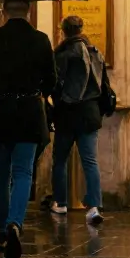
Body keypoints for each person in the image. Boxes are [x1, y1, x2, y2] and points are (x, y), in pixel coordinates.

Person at [0, 0, 56, 258]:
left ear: (5, 11)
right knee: (23, 173)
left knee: (0, 177)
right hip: (28, 112)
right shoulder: (41, 39)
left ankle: (1, 233)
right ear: (29, 11)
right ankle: (15, 223)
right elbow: (51, 80)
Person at [49, 16, 107, 224]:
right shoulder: (94, 52)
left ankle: (61, 203)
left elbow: (53, 83)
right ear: (81, 29)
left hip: (67, 113)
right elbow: (104, 85)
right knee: (90, 161)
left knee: (60, 160)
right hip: (90, 112)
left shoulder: (63, 54)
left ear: (63, 31)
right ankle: (94, 206)